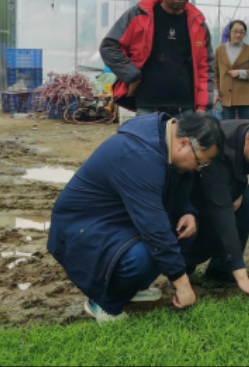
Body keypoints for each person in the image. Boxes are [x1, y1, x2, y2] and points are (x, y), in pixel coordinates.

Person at [47, 113, 223, 323]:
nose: (196, 168)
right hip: (81, 228)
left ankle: (130, 288)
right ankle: (103, 301)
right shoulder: (139, 156)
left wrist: (188, 212)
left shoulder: (166, 141)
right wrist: (183, 285)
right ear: (183, 143)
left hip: (118, 220)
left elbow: (177, 191)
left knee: (181, 230)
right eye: (199, 162)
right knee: (145, 254)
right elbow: (154, 229)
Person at [186, 118, 249, 301]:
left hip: (219, 182)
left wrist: (238, 189)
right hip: (188, 188)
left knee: (248, 201)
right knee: (208, 219)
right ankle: (182, 270)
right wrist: (241, 273)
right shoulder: (218, 146)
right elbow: (221, 208)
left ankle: (221, 272)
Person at [100, 0, 214, 118]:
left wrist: (202, 107)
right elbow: (109, 46)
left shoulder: (198, 25)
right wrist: (132, 74)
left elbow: (205, 68)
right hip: (148, 105)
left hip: (185, 107)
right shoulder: (139, 16)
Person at [214, 20, 249, 121]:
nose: (238, 35)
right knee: (226, 127)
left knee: (246, 126)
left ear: (245, 34)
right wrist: (216, 93)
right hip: (225, 98)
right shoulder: (219, 50)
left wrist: (240, 73)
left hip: (245, 99)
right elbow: (215, 74)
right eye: (235, 31)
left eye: (241, 32)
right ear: (229, 32)